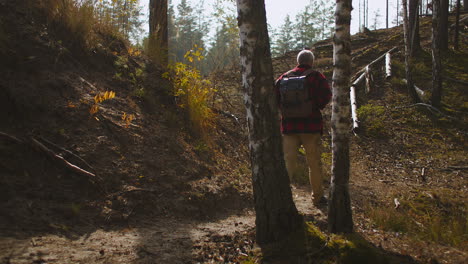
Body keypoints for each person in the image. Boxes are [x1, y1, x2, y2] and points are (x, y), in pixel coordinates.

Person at [275, 49, 332, 206]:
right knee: (314, 163)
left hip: (288, 127)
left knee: (288, 163)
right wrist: (314, 107)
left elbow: (275, 97)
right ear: (311, 62)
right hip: (311, 126)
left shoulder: (284, 77)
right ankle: (317, 198)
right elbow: (326, 96)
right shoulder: (316, 76)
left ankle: (282, 198)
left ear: (298, 61)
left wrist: (286, 111)